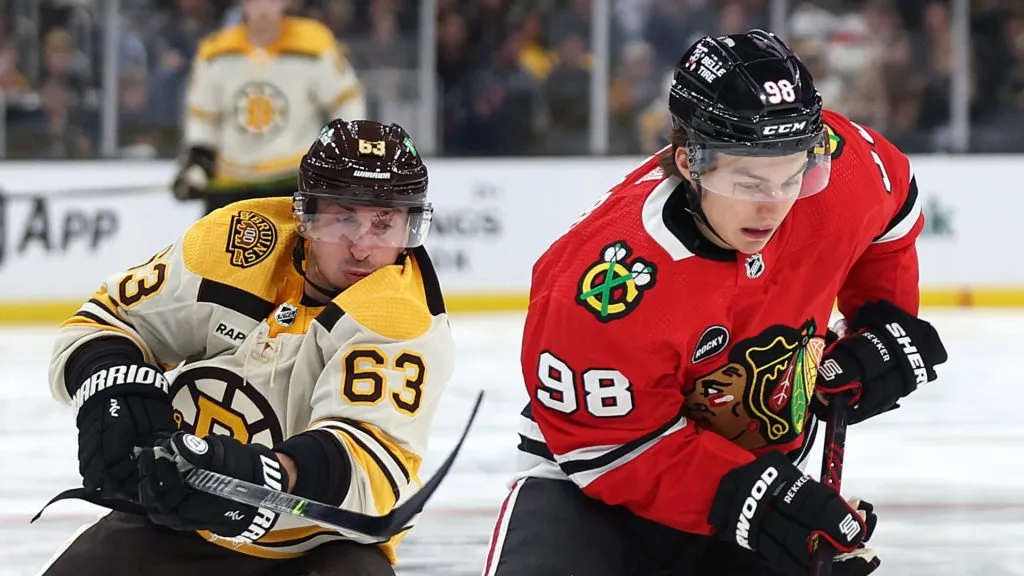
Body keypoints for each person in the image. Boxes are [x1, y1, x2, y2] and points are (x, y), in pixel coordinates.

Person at [482, 30, 948, 576]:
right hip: (596, 493)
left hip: (761, 467)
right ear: (689, 161)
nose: (774, 206)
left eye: (792, 176)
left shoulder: (840, 178)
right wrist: (754, 502)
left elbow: (892, 207)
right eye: (749, 182)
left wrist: (879, 322)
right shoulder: (601, 286)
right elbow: (607, 452)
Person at [37, 119, 452, 576]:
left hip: (318, 546)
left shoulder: (402, 319)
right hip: (180, 522)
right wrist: (109, 389)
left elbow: (370, 470)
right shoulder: (237, 240)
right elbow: (108, 317)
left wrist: (270, 475)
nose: (361, 248)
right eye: (343, 219)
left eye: (383, 224)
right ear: (305, 214)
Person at [173, 0, 367, 215]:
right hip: (231, 184)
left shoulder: (314, 44)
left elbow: (345, 101)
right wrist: (198, 161)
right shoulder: (215, 52)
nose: (264, 7)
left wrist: (344, 152)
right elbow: (203, 116)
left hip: (295, 182)